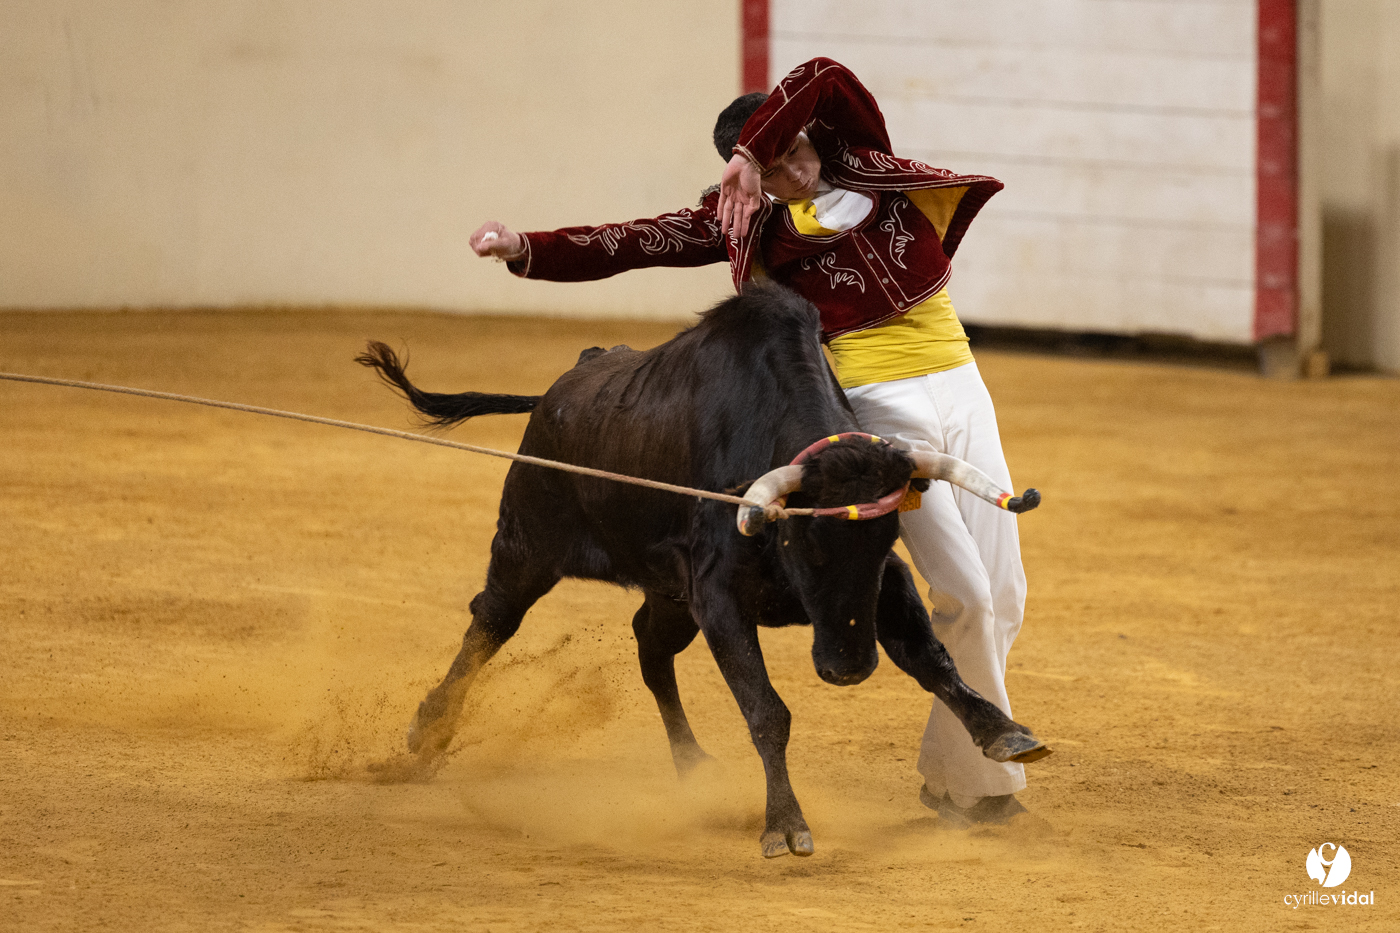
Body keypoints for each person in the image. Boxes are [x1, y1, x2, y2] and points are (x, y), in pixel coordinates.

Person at [470, 58, 1036, 826]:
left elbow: (825, 73)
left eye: (794, 149)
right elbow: (635, 241)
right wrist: (526, 248)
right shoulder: (749, 220)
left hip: (962, 381)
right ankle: (979, 787)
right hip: (871, 409)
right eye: (772, 169)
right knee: (963, 593)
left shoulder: (863, 160)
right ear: (753, 183)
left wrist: (750, 149)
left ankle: (951, 770)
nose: (794, 170)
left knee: (1005, 594)